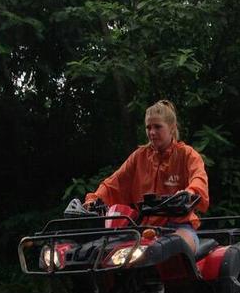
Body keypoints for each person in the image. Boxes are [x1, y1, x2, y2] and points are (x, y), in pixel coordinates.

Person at [84, 100, 209, 248]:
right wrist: (94, 200)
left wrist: (190, 192)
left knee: (174, 248)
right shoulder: (139, 156)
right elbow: (114, 183)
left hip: (179, 226)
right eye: (148, 127)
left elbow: (199, 178)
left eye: (157, 127)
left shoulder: (187, 154)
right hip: (143, 229)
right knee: (106, 253)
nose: (152, 132)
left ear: (172, 128)